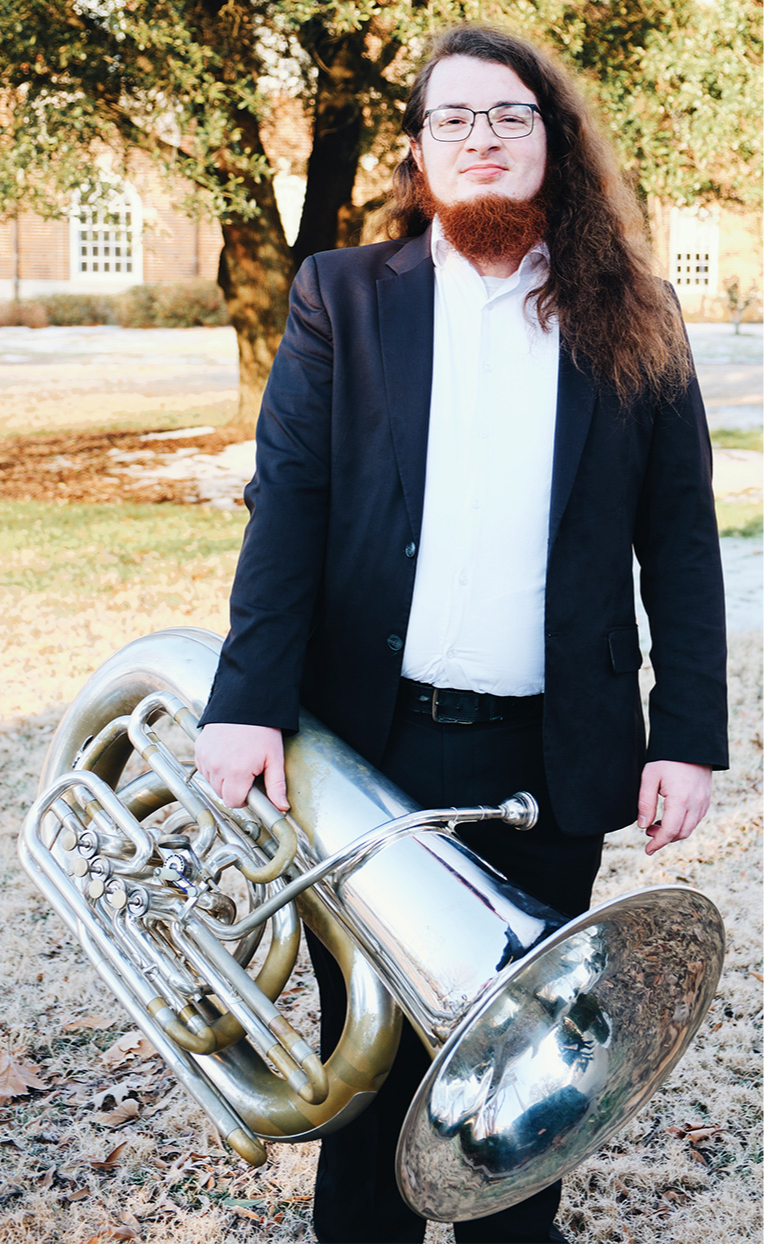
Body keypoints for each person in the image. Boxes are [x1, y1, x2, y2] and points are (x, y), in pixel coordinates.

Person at [195, 24, 728, 1244]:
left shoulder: (633, 312)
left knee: (515, 1117)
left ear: (554, 144)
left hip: (550, 760)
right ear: (419, 150)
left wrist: (686, 733)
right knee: (367, 1090)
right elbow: (291, 508)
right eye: (454, 119)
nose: (480, 138)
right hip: (370, 753)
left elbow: (680, 540)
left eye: (508, 117)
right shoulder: (342, 294)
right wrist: (245, 702)